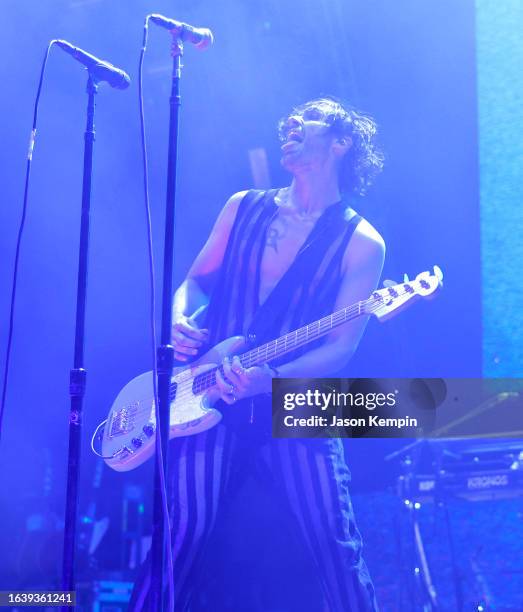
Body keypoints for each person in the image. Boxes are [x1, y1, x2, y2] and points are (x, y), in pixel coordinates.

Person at [130, 97, 385, 611]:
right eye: (288, 120)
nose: (290, 124)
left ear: (341, 141)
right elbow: (196, 283)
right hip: (207, 391)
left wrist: (273, 377)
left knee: (332, 540)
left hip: (294, 401)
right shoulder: (242, 205)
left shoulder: (362, 242)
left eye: (307, 119)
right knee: (183, 534)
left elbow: (341, 349)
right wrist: (181, 316)